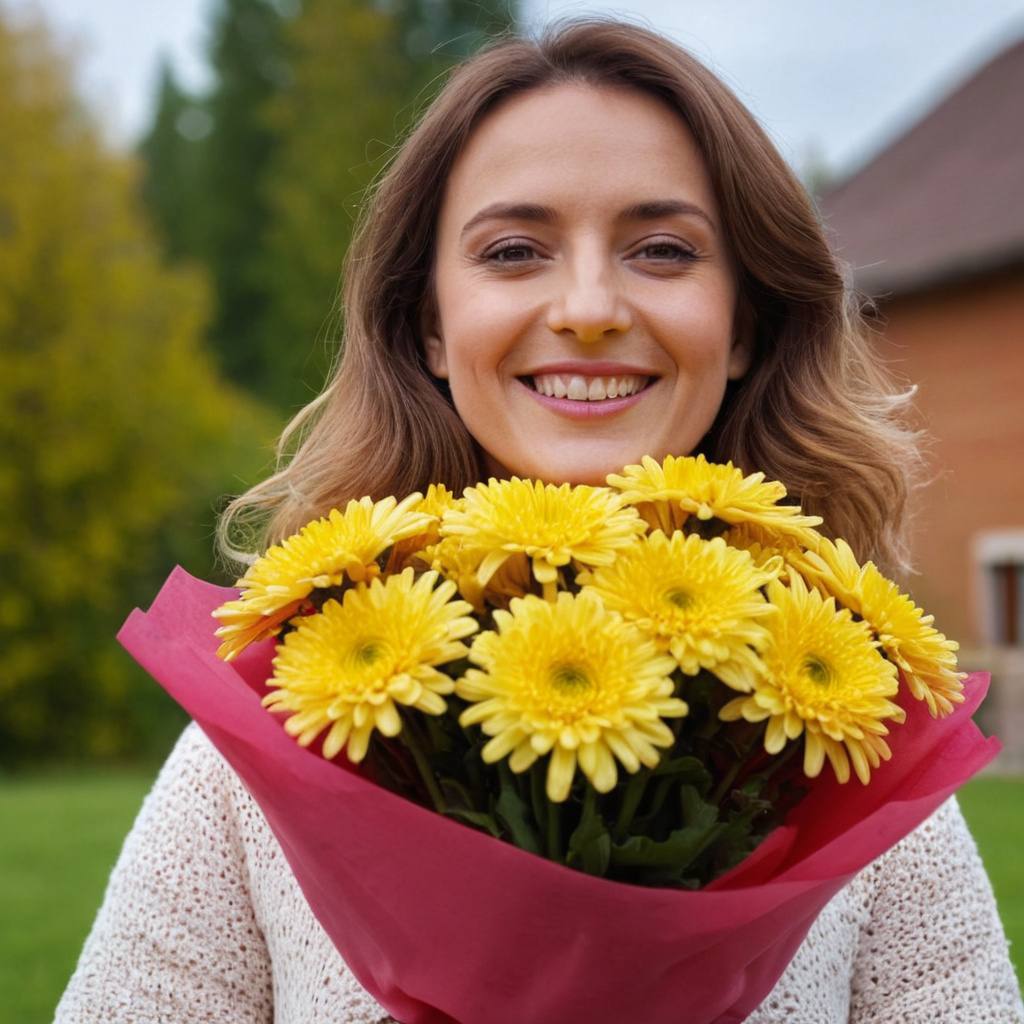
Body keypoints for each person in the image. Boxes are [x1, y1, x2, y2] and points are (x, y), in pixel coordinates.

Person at [56, 16, 1023, 1023]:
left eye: (661, 249)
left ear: (745, 324)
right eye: (514, 250)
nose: (591, 305)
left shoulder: (859, 750)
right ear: (430, 323)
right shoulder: (266, 736)